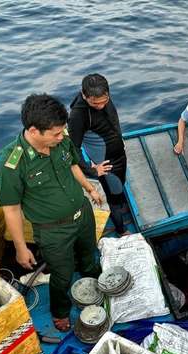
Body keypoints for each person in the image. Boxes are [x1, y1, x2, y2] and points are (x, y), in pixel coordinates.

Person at [0, 94, 105, 332]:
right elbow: (12, 209)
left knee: (89, 257)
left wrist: (89, 189)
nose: (61, 136)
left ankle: (97, 286)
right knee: (62, 275)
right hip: (53, 231)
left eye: (62, 131)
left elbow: (72, 164)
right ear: (34, 131)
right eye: (55, 133)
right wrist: (20, 248)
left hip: (83, 214)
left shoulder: (61, 139)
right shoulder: (13, 163)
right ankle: (60, 311)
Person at [68, 74, 131, 236]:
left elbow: (113, 120)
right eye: (95, 103)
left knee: (120, 184)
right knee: (114, 196)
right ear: (84, 95)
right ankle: (121, 230)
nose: (102, 105)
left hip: (120, 154)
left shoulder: (103, 98)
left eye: (105, 101)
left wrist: (119, 136)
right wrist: (92, 171)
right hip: (107, 164)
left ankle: (119, 204)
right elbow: (73, 148)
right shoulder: (78, 116)